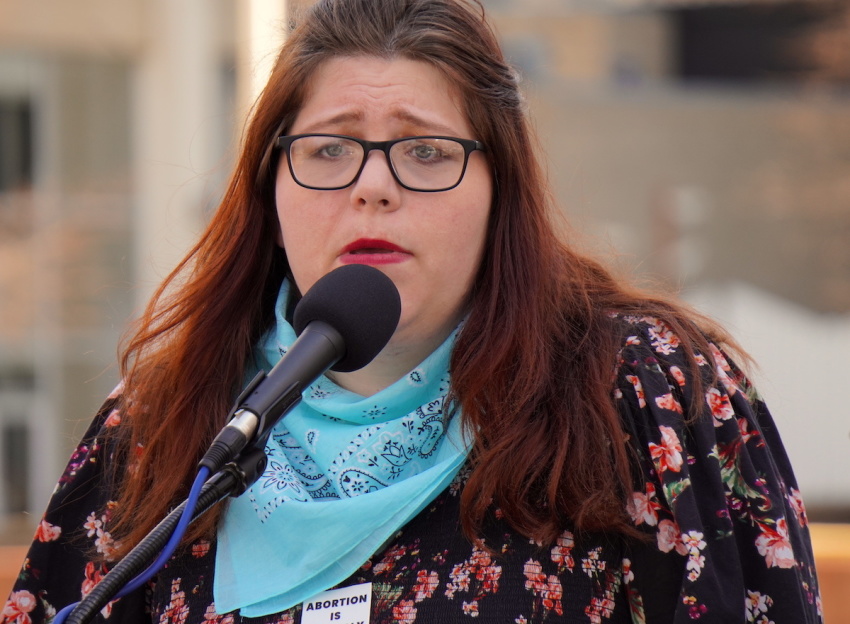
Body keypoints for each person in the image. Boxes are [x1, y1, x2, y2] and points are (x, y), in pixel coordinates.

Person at [2, 0, 822, 622]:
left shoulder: (642, 392)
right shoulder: (161, 423)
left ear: (500, 193)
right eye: (329, 148)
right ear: (270, 190)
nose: (373, 185)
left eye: (426, 151)